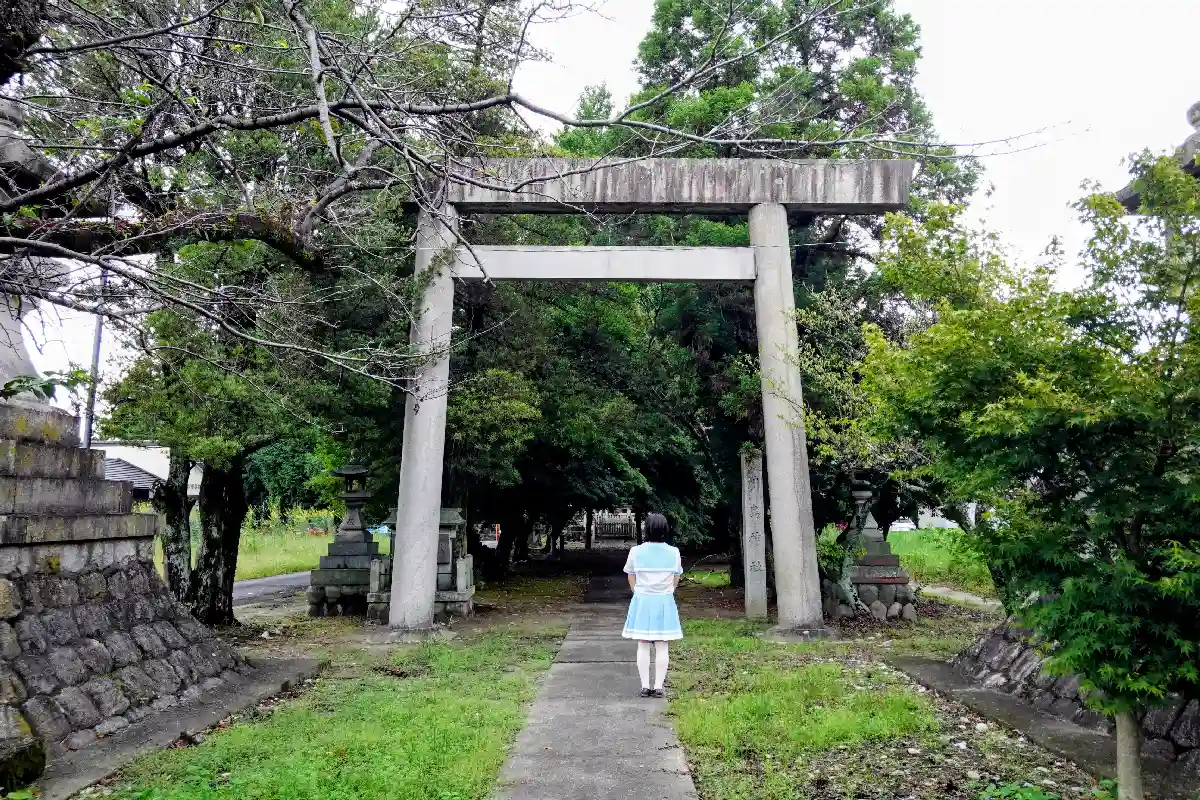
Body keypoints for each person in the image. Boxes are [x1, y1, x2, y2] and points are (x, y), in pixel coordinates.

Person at [621, 513, 683, 698]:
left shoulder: (636, 551)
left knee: (643, 644)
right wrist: (667, 592)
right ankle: (658, 687)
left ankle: (645, 686)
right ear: (665, 530)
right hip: (664, 601)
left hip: (643, 601)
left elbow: (630, 575)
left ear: (646, 529)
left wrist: (638, 592)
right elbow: (676, 578)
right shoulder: (674, 552)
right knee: (662, 644)